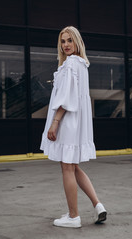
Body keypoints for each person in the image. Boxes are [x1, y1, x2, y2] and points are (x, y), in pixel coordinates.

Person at [40, 26, 107, 228]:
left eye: (70, 40)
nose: (66, 45)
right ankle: (98, 205)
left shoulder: (71, 64)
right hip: (77, 122)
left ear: (77, 42)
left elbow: (67, 98)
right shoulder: (81, 64)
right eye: (63, 41)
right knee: (74, 166)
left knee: (67, 167)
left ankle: (73, 216)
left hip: (68, 121)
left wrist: (55, 122)